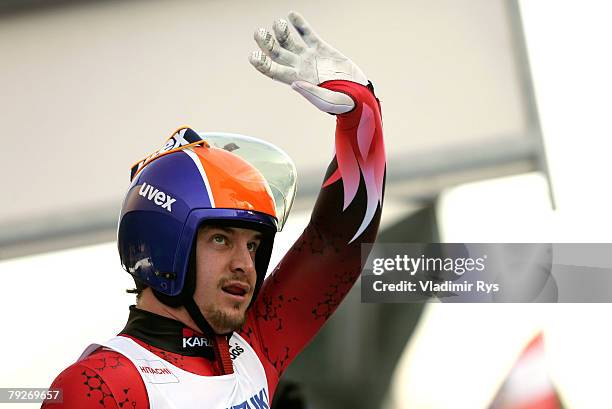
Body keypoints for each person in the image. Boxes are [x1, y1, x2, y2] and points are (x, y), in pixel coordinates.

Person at [43, 11, 385, 409]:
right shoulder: (98, 384)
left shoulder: (254, 345)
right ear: (163, 248)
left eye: (254, 245)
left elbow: (337, 242)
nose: (246, 265)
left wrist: (362, 115)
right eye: (221, 239)